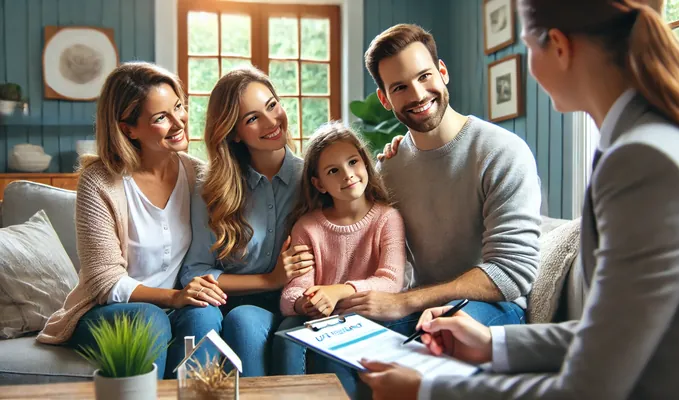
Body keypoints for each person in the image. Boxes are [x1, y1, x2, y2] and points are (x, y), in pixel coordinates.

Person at [359, 0, 679, 398]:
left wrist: (427, 392)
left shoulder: (641, 160)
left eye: (527, 47)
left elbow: (588, 388)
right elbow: (620, 332)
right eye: (400, 85)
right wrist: (493, 344)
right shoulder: (638, 145)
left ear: (558, 46)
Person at [335, 23, 541, 332]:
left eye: (424, 76)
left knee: (443, 335)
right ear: (385, 99)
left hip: (493, 307)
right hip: (421, 304)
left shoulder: (502, 151)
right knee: (338, 334)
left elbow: (511, 274)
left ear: (442, 71)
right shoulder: (390, 168)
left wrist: (405, 301)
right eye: (400, 87)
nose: (417, 95)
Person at [36, 62, 227, 379]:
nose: (178, 121)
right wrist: (173, 298)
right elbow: (104, 282)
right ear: (128, 129)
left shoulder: (199, 175)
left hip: (175, 308)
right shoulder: (99, 182)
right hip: (107, 310)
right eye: (160, 117)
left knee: (205, 316)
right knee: (151, 319)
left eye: (178, 107)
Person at [179, 66, 312, 377]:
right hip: (231, 303)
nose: (271, 122)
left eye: (272, 105)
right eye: (252, 118)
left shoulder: (314, 178)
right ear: (234, 132)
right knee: (230, 318)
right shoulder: (210, 187)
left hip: (296, 304)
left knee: (245, 320)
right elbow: (195, 271)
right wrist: (271, 279)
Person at [273, 121, 406, 393]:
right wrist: (305, 304)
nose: (348, 175)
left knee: (333, 357)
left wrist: (337, 292)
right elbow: (293, 291)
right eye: (333, 171)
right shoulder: (307, 227)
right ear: (319, 184)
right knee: (289, 333)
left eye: (353, 162)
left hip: (369, 316)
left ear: (365, 164)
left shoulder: (387, 218)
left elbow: (391, 281)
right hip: (322, 323)